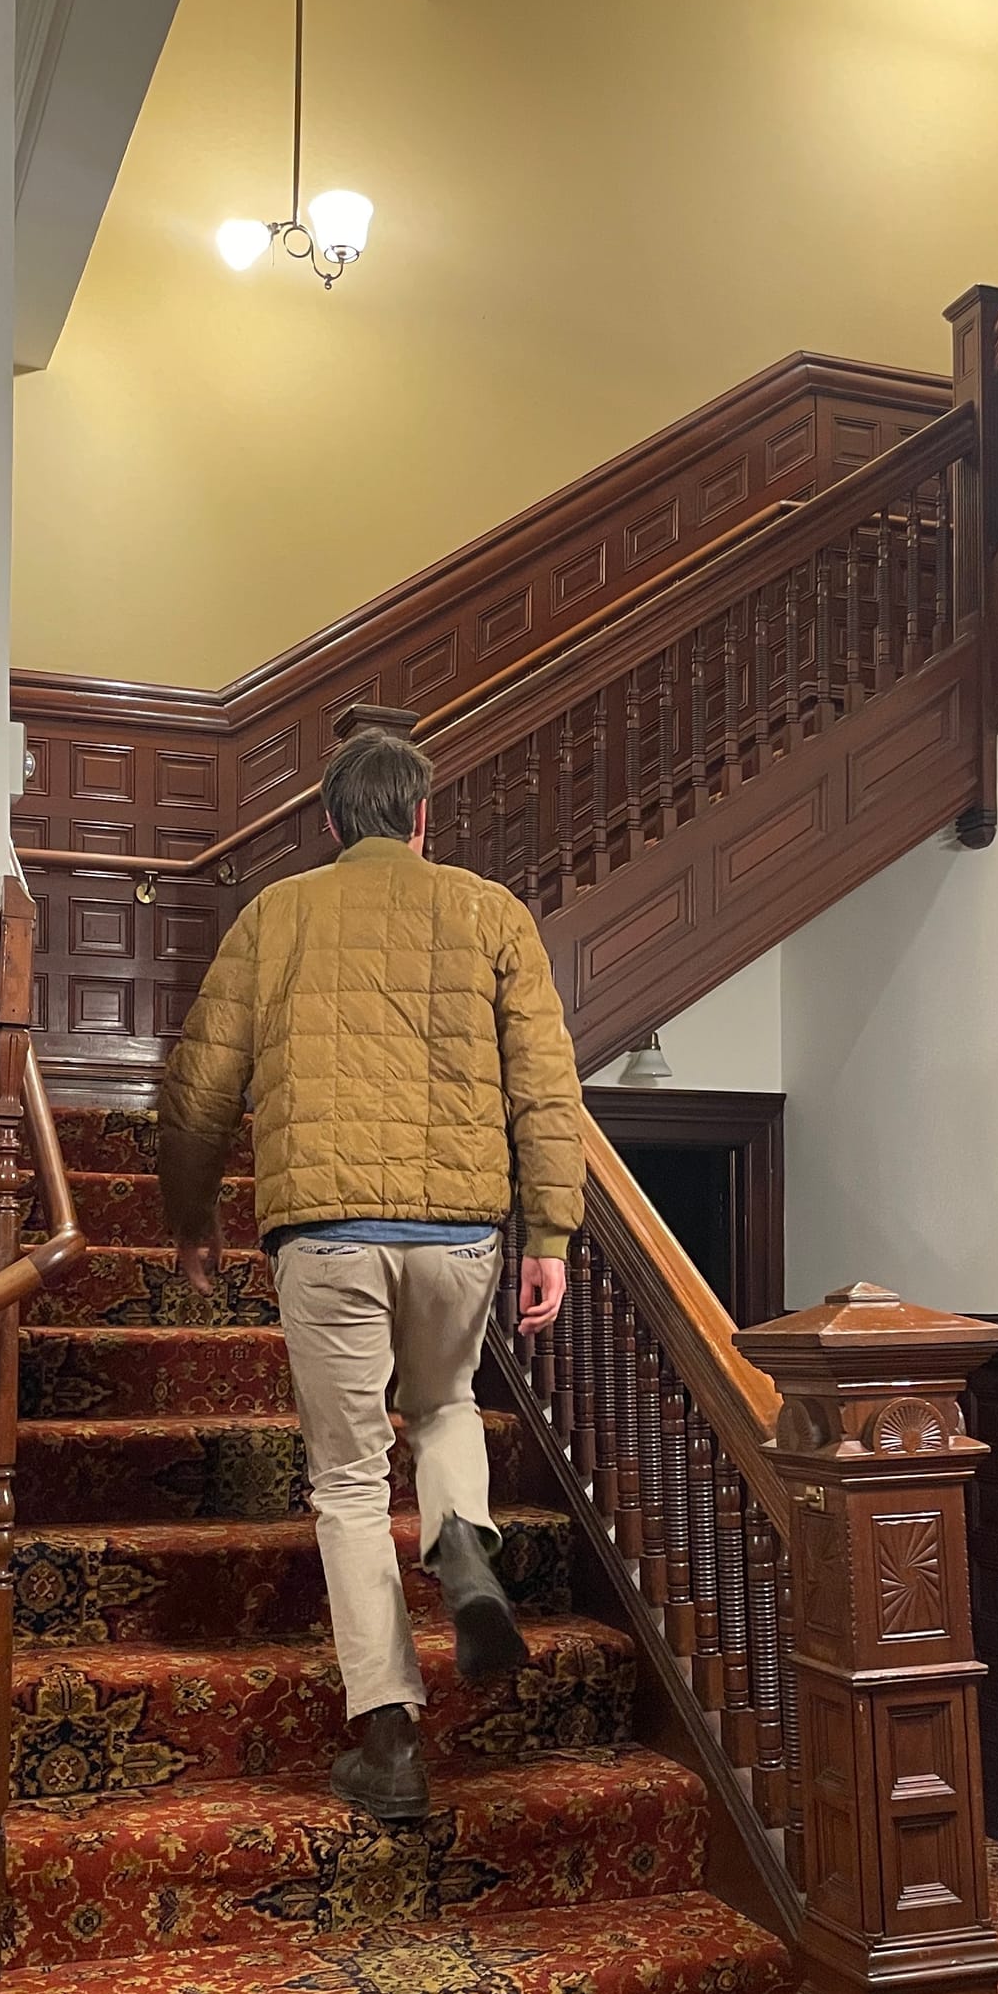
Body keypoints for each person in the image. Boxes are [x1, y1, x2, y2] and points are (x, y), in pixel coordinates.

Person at [158, 724, 584, 1823]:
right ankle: (462, 1543)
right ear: (424, 818)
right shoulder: (493, 913)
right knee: (444, 1405)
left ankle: (390, 1742)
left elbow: (200, 1086)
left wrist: (192, 1216)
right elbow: (545, 1087)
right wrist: (549, 1235)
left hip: (327, 1232)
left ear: (331, 821)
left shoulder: (275, 914)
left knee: (348, 1482)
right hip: (459, 1234)